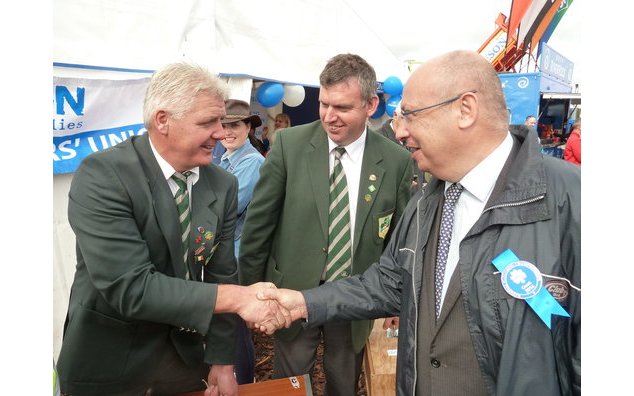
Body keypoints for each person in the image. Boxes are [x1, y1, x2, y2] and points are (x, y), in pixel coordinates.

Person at [259, 50, 581, 395]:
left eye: (409, 115)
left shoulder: (573, 201)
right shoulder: (428, 200)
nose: (400, 132)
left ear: (465, 109)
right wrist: (304, 303)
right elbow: (389, 283)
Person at [56, 62, 290, 396]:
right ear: (162, 120)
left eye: (221, 122)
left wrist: (222, 359)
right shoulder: (103, 176)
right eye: (207, 122)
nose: (220, 133)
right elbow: (130, 287)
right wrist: (238, 299)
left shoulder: (222, 184)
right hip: (109, 365)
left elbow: (222, 272)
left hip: (183, 364)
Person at [239, 53, 413, 394]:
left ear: (370, 104)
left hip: (356, 297)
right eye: (324, 104)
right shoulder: (290, 146)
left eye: (342, 108)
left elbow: (398, 239)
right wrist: (252, 290)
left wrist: (395, 299)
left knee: (343, 381)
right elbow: (258, 226)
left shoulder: (396, 161)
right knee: (290, 381)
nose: (329, 117)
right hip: (292, 292)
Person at [218, 98, 266, 384]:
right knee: (228, 328)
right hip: (225, 255)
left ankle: (244, 385)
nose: (227, 131)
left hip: (235, 257)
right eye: (222, 125)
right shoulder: (226, 159)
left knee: (234, 329)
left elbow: (226, 208)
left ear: (248, 127)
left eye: (234, 125)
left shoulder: (251, 163)